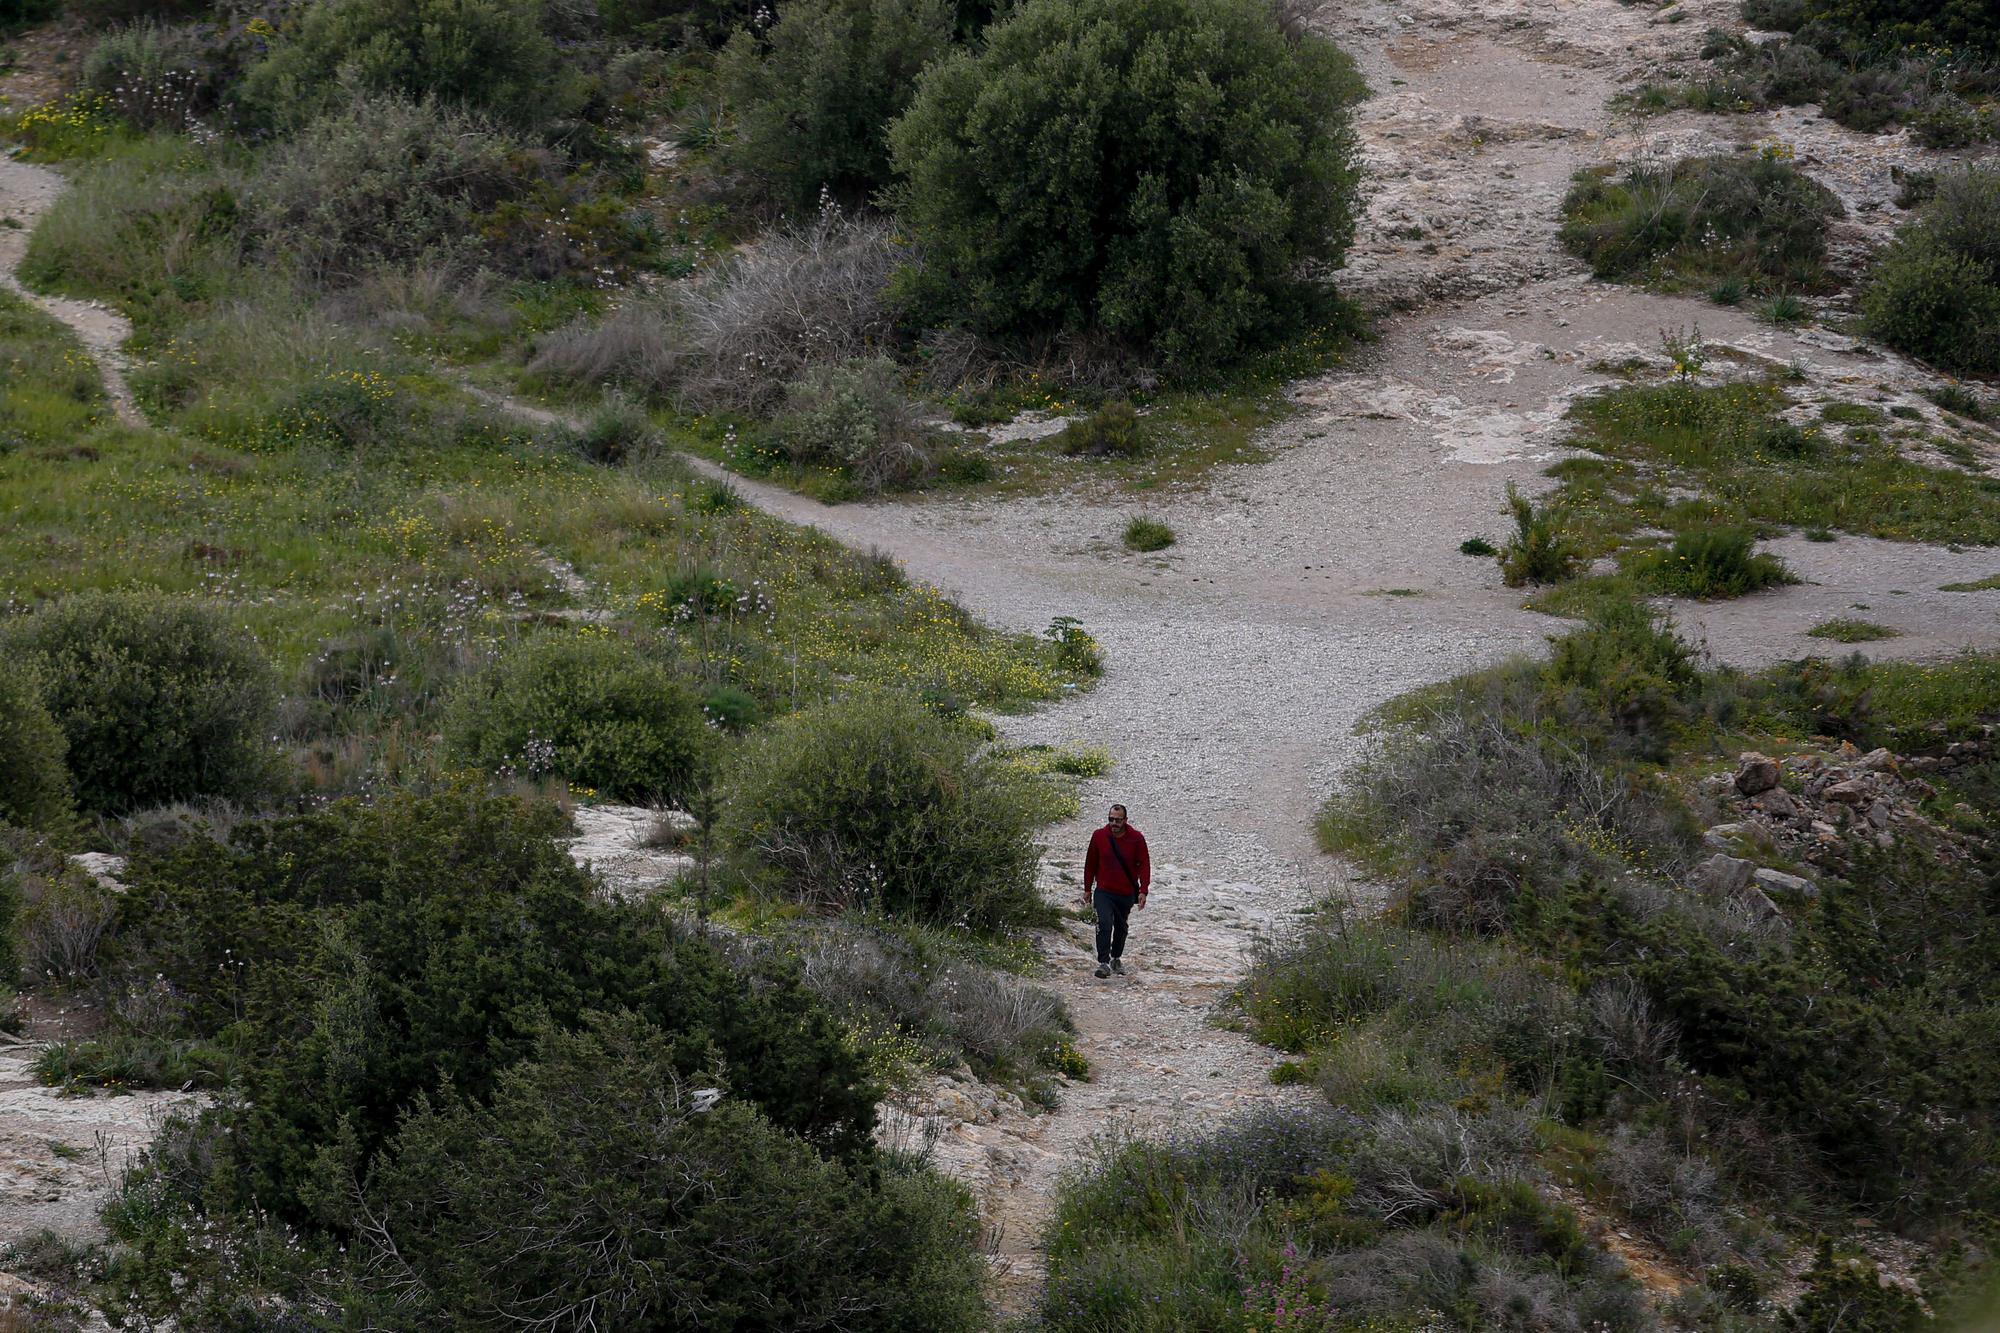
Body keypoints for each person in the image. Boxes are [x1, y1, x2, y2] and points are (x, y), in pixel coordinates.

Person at [1082, 804, 1149, 978]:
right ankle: (1103, 963)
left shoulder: (1136, 838)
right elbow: (1090, 863)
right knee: (1104, 924)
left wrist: (1143, 890)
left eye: (1118, 820)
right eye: (1111, 819)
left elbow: (1144, 865)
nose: (1114, 823)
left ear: (1125, 820)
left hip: (1125, 893)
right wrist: (1087, 888)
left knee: (1121, 927)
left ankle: (1116, 958)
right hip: (1104, 891)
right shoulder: (1099, 836)